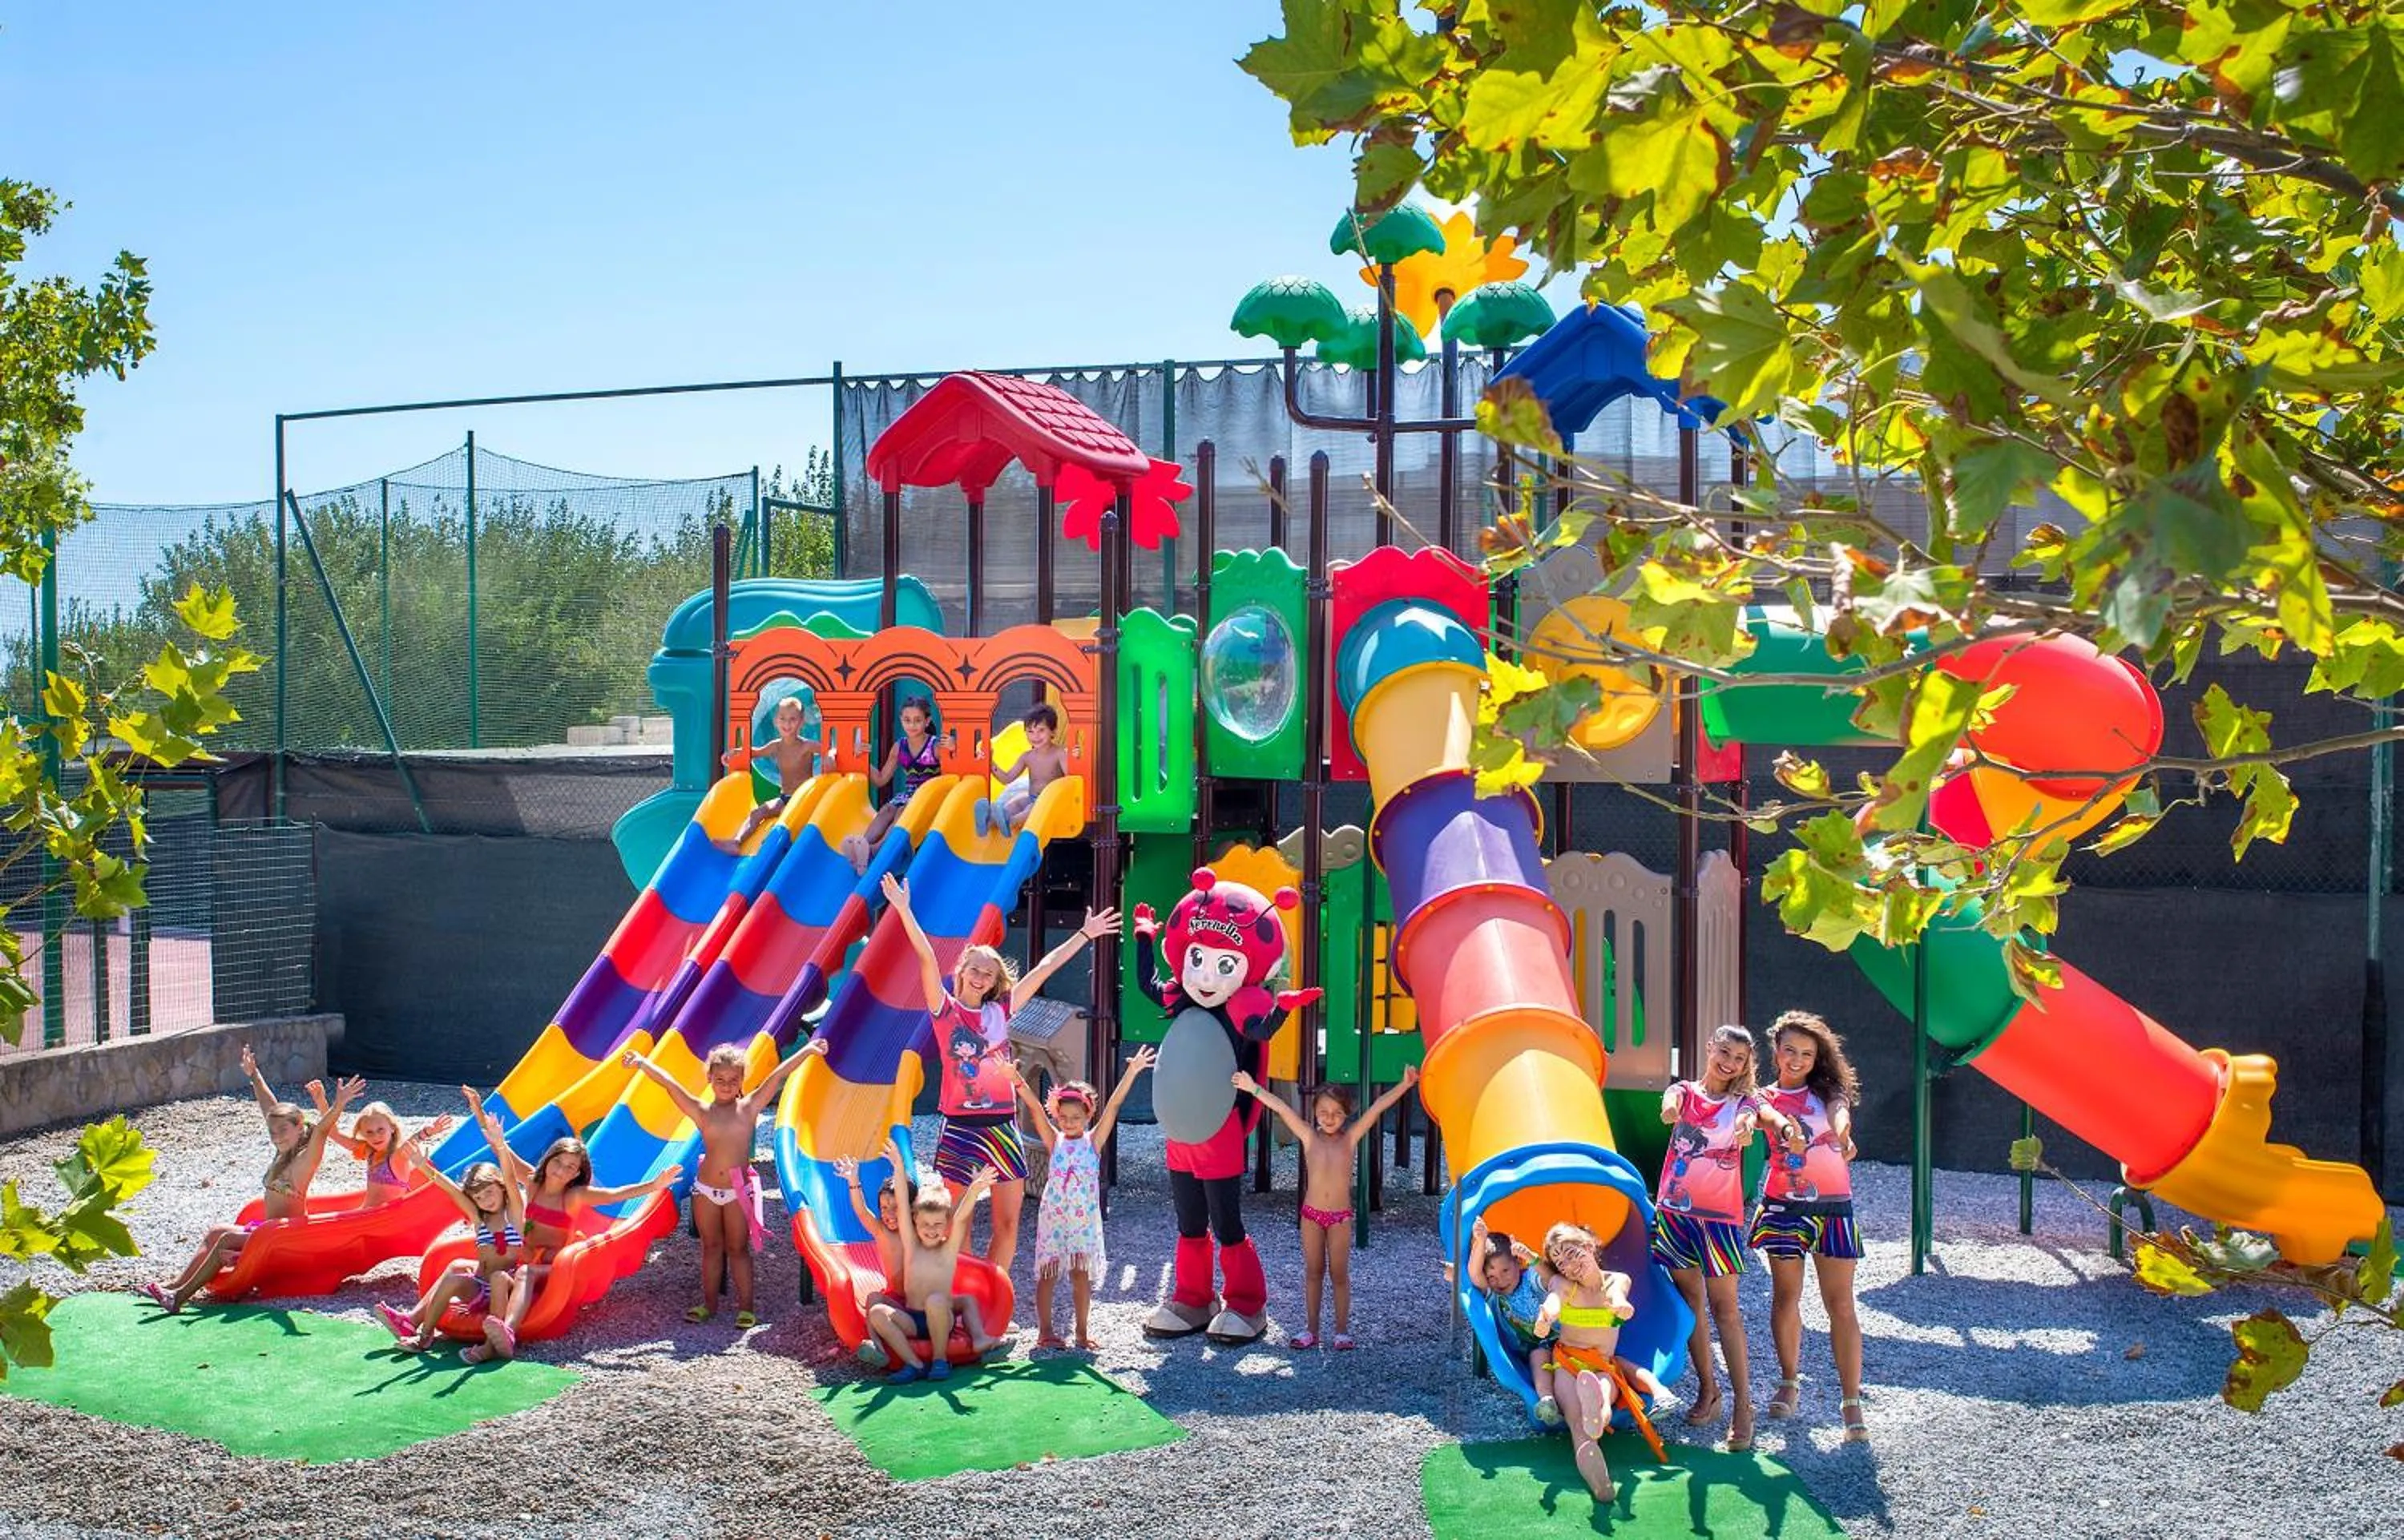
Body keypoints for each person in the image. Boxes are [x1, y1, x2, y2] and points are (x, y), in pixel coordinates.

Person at [882, 870, 1117, 1292]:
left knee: (1008, 1223)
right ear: (962, 971)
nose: (979, 977)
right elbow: (925, 959)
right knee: (960, 1220)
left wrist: (1085, 934)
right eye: (974, 969)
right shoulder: (945, 1010)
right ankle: (961, 1294)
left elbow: (1044, 968)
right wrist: (903, 909)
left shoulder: (1000, 1012)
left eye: (988, 974)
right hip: (959, 1128)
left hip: (1002, 1126)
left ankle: (993, 1295)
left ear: (995, 982)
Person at [620, 1036, 825, 1327]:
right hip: (705, 1191)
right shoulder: (702, 1112)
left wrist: (807, 1049)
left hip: (737, 1192)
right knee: (711, 1247)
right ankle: (709, 1304)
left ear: (742, 1079)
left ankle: (746, 1307)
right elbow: (669, 1084)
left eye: (733, 1079)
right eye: (720, 1079)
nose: (727, 1085)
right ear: (710, 1079)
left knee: (738, 1248)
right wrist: (642, 1063)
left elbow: (778, 1075)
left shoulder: (750, 1108)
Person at [142, 1052, 362, 1312]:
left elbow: (323, 1131)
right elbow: (270, 1108)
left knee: (225, 1239)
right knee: (216, 1231)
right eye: (273, 1132)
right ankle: (174, 1284)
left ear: (299, 1126)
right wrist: (254, 1075)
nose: (277, 1137)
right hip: (268, 1230)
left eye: (284, 1131)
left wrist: (338, 1104)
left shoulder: (304, 1160)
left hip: (287, 1236)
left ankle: (178, 1297)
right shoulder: (283, 1153)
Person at [1229, 1064, 1420, 1350]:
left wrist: (1405, 1085)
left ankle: (1342, 1331)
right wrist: (1252, 1087)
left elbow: (1378, 1107)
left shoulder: (1350, 1138)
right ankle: (1311, 1329)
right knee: (1314, 1272)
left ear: (1346, 1115)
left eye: (1337, 1113)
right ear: (1315, 1112)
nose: (1330, 1118)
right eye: (1323, 1112)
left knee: (1340, 1275)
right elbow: (1281, 1107)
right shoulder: (1308, 1137)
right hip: (1312, 1216)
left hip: (1341, 1217)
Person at [1750, 1008, 1869, 1443]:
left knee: (1840, 1304)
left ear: (1818, 1057)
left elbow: (1841, 1114)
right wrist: (1786, 1129)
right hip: (1783, 1207)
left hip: (1834, 1208)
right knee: (1785, 1297)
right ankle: (1789, 1379)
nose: (1798, 1059)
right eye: (1790, 1051)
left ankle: (1851, 1400)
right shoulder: (1761, 1097)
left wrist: (1842, 1135)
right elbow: (1771, 1120)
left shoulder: (1830, 1091)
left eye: (1807, 1053)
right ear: (1776, 1052)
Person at [1652, 1022, 1766, 1451]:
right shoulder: (1684, 1092)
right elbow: (1670, 1102)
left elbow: (1748, 1119)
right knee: (1692, 1306)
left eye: (1739, 1058)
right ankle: (1708, 1389)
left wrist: (1745, 1129)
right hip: (1676, 1214)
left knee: (1727, 1311)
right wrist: (1669, 1108)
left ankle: (1744, 1406)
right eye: (1724, 1053)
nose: (1730, 1063)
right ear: (1708, 1048)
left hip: (1719, 1219)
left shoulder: (1743, 1102)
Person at [480, 1125, 682, 1361]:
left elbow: (614, 1195)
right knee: (497, 1265)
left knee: (525, 1272)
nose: (561, 1171)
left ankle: (508, 1333)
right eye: (558, 1162)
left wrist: (654, 1186)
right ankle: (486, 1344)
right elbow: (509, 1160)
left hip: (555, 1268)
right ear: (548, 1160)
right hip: (527, 1256)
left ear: (576, 1174)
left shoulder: (574, 1196)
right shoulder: (534, 1184)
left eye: (570, 1167)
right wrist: (496, 1137)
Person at [1004, 1046, 1155, 1349]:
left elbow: (1112, 1106)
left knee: (1080, 1276)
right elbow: (1034, 1107)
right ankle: (1045, 1331)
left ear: (1088, 1116)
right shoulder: (1054, 1140)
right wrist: (1015, 1079)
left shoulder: (1093, 1142)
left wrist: (1132, 1071)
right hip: (1054, 1218)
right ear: (1057, 1116)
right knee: (1047, 1274)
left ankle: (1082, 1333)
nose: (1070, 1122)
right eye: (1064, 1116)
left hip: (1084, 1221)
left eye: (1076, 1116)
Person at [378, 1088, 527, 1357]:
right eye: (479, 1197)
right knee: (454, 1279)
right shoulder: (479, 1219)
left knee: (497, 1276)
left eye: (490, 1192)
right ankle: (424, 1337)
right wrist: (424, 1167)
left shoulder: (513, 1215)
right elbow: (451, 1190)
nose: (486, 1200)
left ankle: (493, 1342)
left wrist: (501, 1146)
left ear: (502, 1189)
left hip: (504, 1284)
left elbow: (509, 1175)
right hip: (480, 1287)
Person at [1539, 1222, 1672, 1504]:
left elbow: (1616, 1296)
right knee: (1577, 1422)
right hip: (1568, 1362)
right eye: (1560, 1262)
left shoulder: (1616, 1280)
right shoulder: (1563, 1284)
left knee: (1602, 1395)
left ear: (1589, 1246)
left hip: (1602, 1365)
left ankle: (1597, 1417)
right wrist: (1547, 1316)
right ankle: (1600, 1483)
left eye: (1572, 1254)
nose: (1569, 1266)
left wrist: (1621, 1306)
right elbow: (1554, 1300)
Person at [837, 1150, 998, 1368]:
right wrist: (854, 1182)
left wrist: (974, 1190)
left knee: (963, 1300)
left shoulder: (919, 1232)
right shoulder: (884, 1232)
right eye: (885, 1208)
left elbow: (954, 1220)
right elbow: (863, 1212)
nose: (890, 1213)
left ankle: (978, 1339)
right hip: (901, 1301)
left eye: (896, 1208)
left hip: (930, 1302)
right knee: (874, 1299)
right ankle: (875, 1344)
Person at [1457, 1215, 1565, 1426]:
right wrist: (1480, 1241)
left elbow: (1552, 1279)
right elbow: (1474, 1275)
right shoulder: (1496, 1297)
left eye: (1505, 1270)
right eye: (1492, 1277)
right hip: (1533, 1346)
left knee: (1567, 1361)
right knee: (1539, 1359)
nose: (1500, 1280)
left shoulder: (1530, 1278)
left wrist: (1530, 1256)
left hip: (1563, 1337)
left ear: (1519, 1263)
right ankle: (1546, 1400)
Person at [841, 696, 942, 875]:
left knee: (903, 811)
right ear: (901, 720)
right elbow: (881, 779)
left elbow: (950, 773)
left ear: (927, 721)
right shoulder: (899, 746)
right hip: (909, 794)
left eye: (918, 720)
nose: (912, 725)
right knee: (887, 809)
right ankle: (862, 845)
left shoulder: (935, 746)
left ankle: (876, 849)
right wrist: (862, 759)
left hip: (930, 797)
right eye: (907, 720)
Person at [307, 1086, 450, 1210]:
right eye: (369, 1132)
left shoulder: (397, 1156)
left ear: (392, 1128)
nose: (376, 1136)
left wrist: (428, 1132)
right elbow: (334, 1134)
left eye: (381, 1130)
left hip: (388, 1219)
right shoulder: (369, 1151)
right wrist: (321, 1101)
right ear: (362, 1133)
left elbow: (410, 1143)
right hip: (368, 1215)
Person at [716, 695, 823, 854]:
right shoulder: (776, 746)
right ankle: (736, 842)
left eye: (793, 719)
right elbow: (756, 753)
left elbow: (828, 749)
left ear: (801, 722)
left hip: (804, 800)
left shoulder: (806, 746)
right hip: (785, 798)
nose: (787, 723)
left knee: (784, 823)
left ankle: (776, 844)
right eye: (783, 718)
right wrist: (735, 753)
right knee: (758, 812)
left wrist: (833, 754)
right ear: (776, 721)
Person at [977, 702, 1070, 837]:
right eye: (1030, 731)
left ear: (1053, 731)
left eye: (1041, 730)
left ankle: (1011, 822)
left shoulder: (1060, 754)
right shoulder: (1027, 757)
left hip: (1050, 802)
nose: (1035, 736)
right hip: (1032, 798)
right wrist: (991, 763)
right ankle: (989, 821)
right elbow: (1007, 778)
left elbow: (1069, 778)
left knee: (1031, 809)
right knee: (1016, 802)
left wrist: (1076, 757)